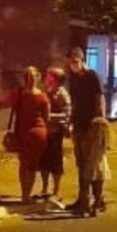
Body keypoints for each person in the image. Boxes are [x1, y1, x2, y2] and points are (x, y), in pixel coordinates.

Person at [66, 46, 104, 214]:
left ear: (82, 60)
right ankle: (83, 198)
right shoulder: (74, 79)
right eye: (70, 63)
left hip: (92, 125)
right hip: (79, 125)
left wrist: (100, 121)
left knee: (93, 164)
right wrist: (71, 122)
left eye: (75, 61)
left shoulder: (92, 76)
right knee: (81, 164)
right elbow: (75, 103)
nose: (73, 65)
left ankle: (97, 199)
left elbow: (99, 98)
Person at [8, 66, 50, 203]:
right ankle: (27, 194)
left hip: (23, 132)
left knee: (23, 164)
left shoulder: (19, 93)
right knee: (32, 165)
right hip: (38, 132)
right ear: (38, 78)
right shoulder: (43, 96)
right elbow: (47, 117)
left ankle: (24, 194)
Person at [38, 67, 71, 203]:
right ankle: (44, 189)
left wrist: (49, 116)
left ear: (56, 79)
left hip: (56, 132)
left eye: (49, 76)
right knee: (43, 161)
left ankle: (56, 190)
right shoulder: (46, 91)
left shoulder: (62, 94)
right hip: (45, 130)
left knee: (56, 161)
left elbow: (67, 113)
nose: (47, 78)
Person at [81, 115, 112, 216]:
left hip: (97, 165)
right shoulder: (95, 141)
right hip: (94, 165)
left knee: (97, 189)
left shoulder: (100, 142)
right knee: (95, 188)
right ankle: (96, 204)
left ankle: (96, 207)